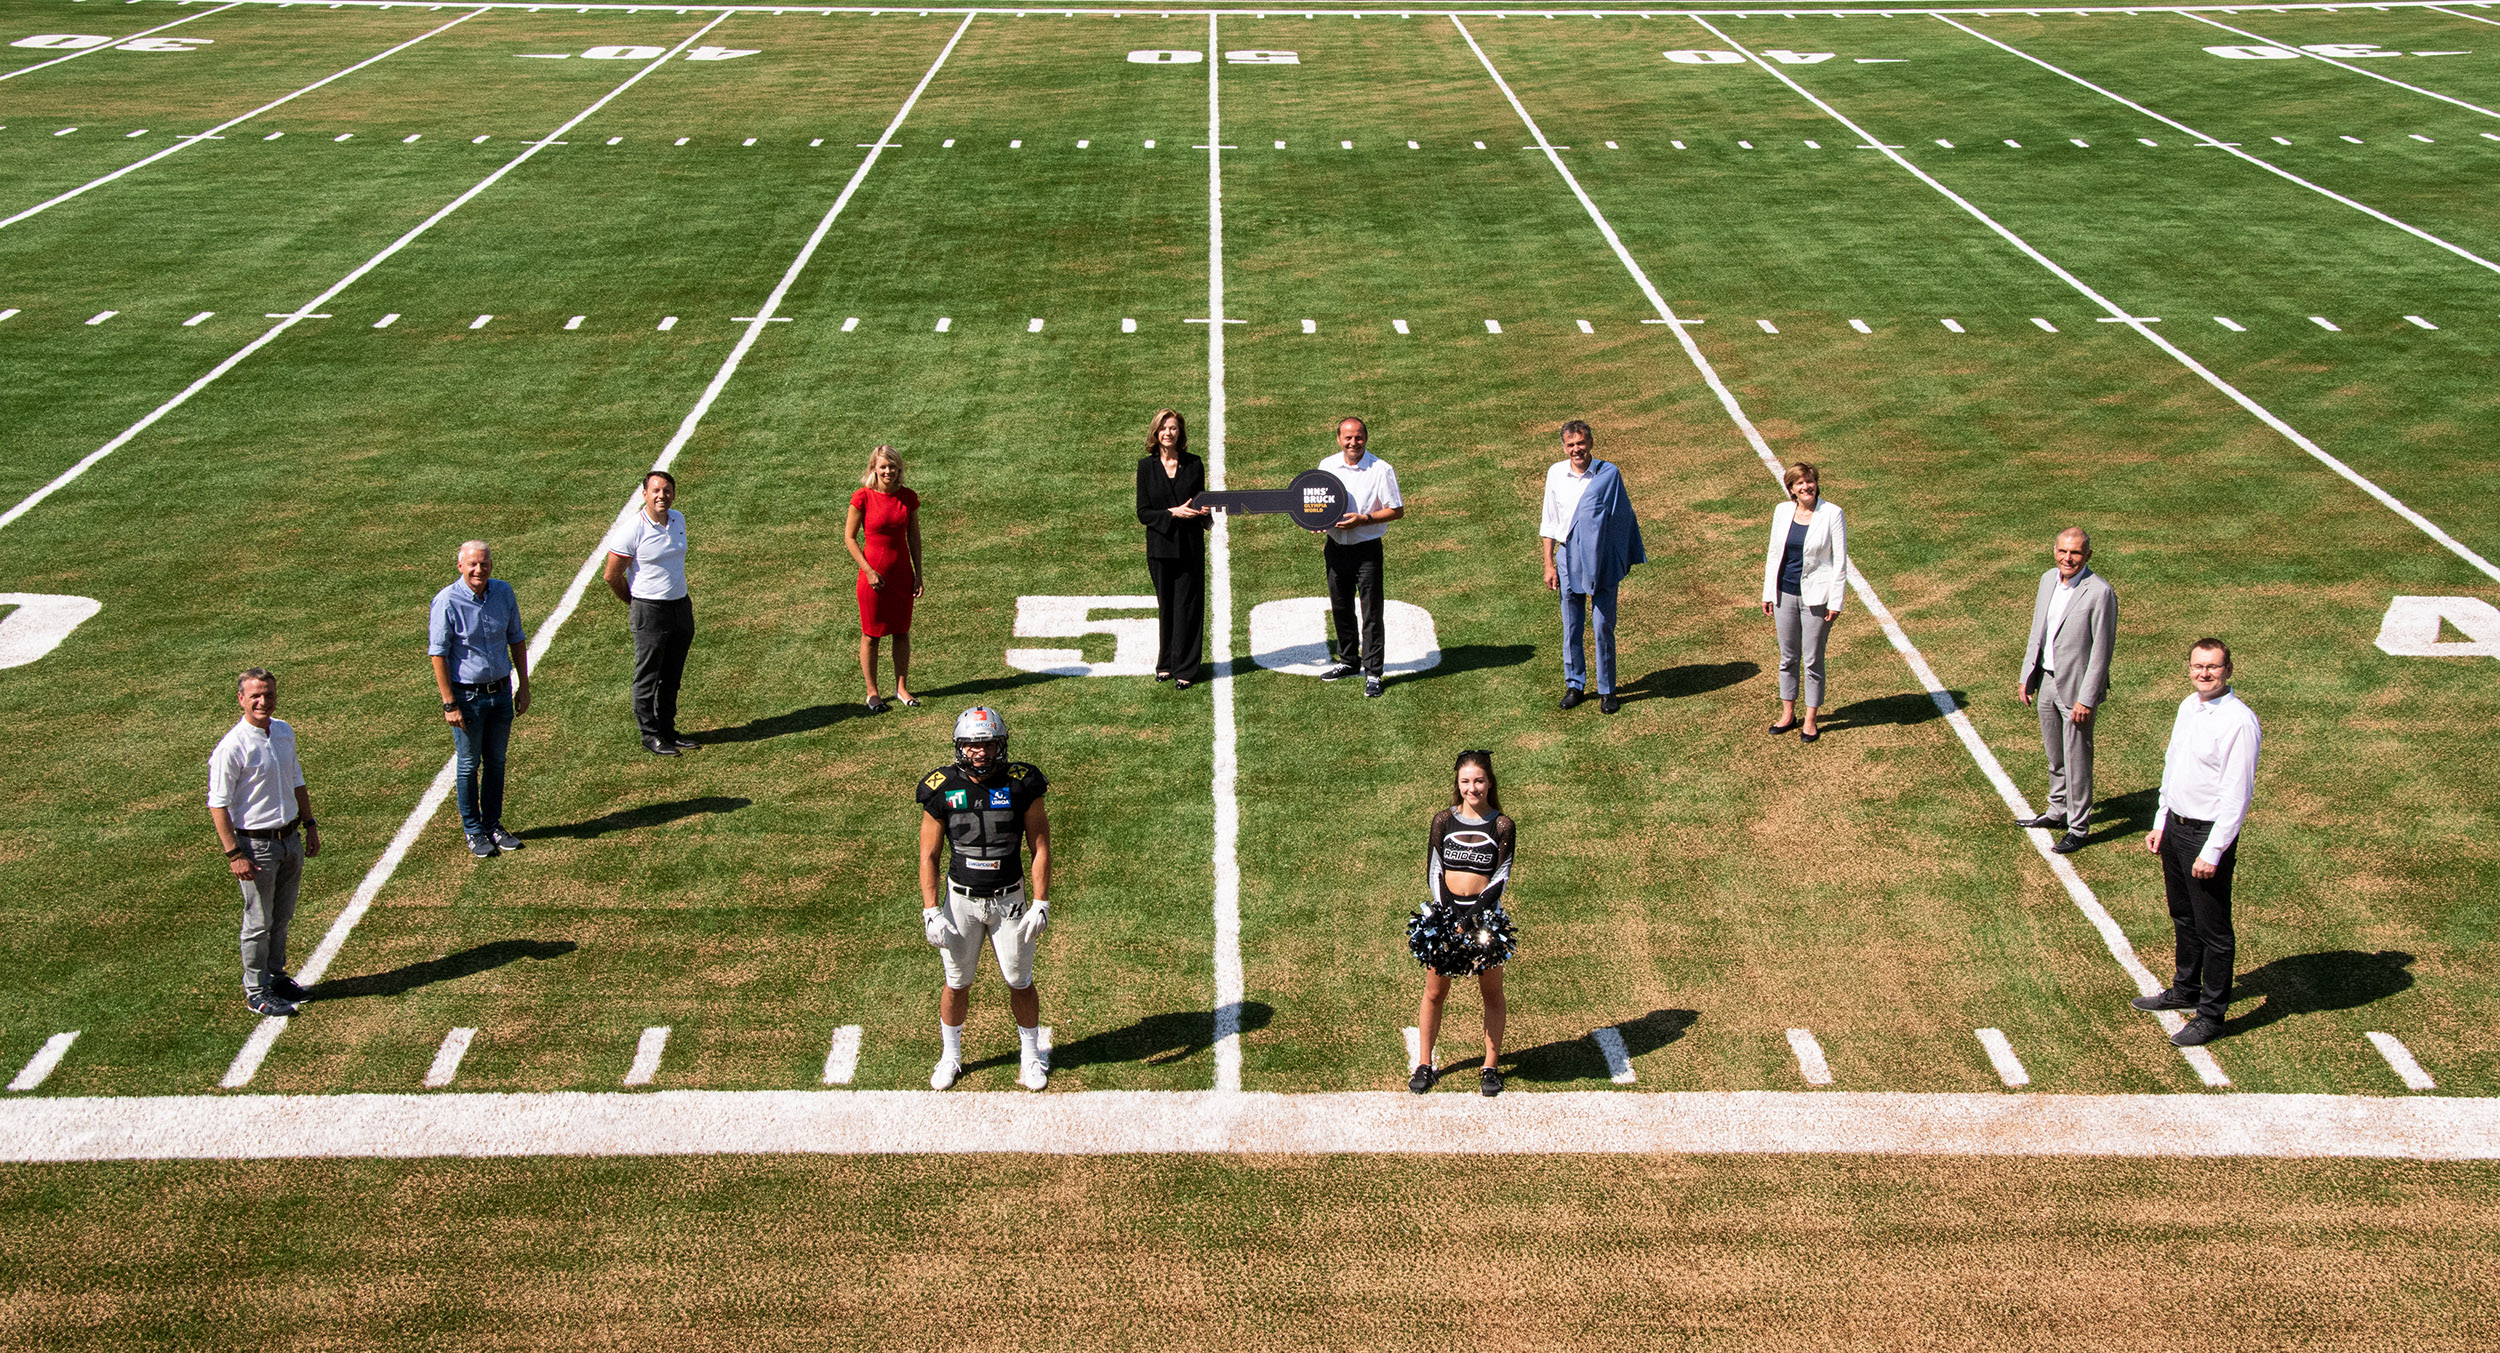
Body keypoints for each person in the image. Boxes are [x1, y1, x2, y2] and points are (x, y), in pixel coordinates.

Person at [918, 707, 1054, 1091]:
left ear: (1001, 745)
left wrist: (1040, 902)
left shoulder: (1021, 784)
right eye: (973, 746)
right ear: (960, 748)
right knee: (956, 982)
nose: (981, 753)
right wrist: (931, 909)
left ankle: (1030, 1056)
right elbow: (928, 854)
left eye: (988, 744)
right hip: (960, 900)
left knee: (1019, 979)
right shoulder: (941, 786)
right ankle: (951, 1056)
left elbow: (1039, 846)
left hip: (1008, 898)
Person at [2137, 638, 2261, 1048]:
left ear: (2229, 670)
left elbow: (2237, 794)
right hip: (2176, 826)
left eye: (2213, 667)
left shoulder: (2239, 722)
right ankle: (2185, 989)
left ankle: (2211, 1016)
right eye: (2197, 666)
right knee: (2183, 915)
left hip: (2206, 834)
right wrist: (2161, 818)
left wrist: (2214, 850)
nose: (2204, 673)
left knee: (2213, 929)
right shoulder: (2188, 706)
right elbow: (2173, 766)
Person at [206, 668, 322, 1018]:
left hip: (289, 838)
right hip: (256, 846)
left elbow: (296, 779)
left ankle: (276, 976)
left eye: (268, 694)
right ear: (240, 698)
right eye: (255, 695)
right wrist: (234, 854)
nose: (262, 701)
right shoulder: (232, 747)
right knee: (258, 921)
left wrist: (310, 824)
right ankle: (256, 991)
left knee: (282, 915)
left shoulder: (283, 732)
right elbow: (218, 804)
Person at [1408, 750, 1517, 1097]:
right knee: (1435, 992)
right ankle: (1424, 1063)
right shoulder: (1443, 820)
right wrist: (1451, 914)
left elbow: (1500, 877)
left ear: (1490, 782)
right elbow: (1434, 870)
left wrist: (1470, 918)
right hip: (1445, 917)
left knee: (1492, 993)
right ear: (1457, 784)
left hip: (1485, 921)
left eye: (1479, 780)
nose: (1473, 788)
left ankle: (1490, 1066)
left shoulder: (1502, 825)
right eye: (1466, 781)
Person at [2014, 527, 2116, 855]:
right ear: (2054, 551)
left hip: (2076, 688)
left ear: (2088, 555)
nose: (2067, 558)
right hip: (2047, 681)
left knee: (2077, 759)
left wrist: (2087, 697)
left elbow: (2102, 650)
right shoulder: (2047, 580)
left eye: (2075, 553)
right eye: (2062, 551)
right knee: (2055, 754)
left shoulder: (2100, 592)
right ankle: (2057, 810)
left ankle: (2079, 827)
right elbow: (2037, 630)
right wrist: (2026, 675)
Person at [429, 540, 531, 859]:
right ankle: (474, 830)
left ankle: (493, 824)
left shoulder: (503, 593)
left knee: (497, 763)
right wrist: (449, 703)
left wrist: (523, 685)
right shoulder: (447, 601)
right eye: (472, 564)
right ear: (460, 566)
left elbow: (516, 639)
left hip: (500, 693)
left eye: (484, 563)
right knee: (469, 764)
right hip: (467, 697)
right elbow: (439, 654)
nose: (478, 569)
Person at [1539, 420, 1645, 714]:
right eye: (1571, 445)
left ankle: (1608, 690)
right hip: (1566, 557)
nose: (1577, 449)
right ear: (1564, 447)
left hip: (1601, 561)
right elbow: (1549, 521)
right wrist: (1549, 563)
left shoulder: (1608, 473)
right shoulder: (1555, 474)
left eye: (1581, 443)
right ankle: (1575, 684)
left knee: (1602, 626)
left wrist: (1614, 557)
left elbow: (1623, 519)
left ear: (1591, 443)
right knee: (1571, 626)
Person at [602, 470, 697, 756]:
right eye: (655, 490)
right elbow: (611, 575)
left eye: (667, 490)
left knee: (672, 674)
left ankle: (668, 728)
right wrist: (635, 603)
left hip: (680, 606)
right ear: (644, 494)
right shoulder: (633, 529)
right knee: (649, 675)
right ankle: (650, 734)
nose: (661, 496)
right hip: (650, 609)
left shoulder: (678, 519)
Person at [1317, 416, 1405, 699]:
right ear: (1339, 439)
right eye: (1348, 437)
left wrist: (1363, 519)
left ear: (1365, 438)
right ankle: (1347, 661)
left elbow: (1396, 509)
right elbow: (1316, 504)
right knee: (1340, 607)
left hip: (1366, 550)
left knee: (1371, 613)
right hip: (1335, 548)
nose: (1353, 443)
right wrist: (1316, 520)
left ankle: (1374, 672)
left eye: (1358, 437)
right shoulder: (1326, 466)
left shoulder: (1381, 469)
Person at [1760, 461, 1848, 742]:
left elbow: (1839, 561)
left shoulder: (1832, 513)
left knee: (1811, 660)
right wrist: (1768, 592)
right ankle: (1788, 714)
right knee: (1788, 657)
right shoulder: (1782, 511)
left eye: (1809, 481)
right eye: (1799, 483)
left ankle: (1810, 719)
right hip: (1784, 594)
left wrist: (1835, 601)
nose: (1806, 486)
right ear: (1791, 489)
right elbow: (1774, 554)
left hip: (1817, 599)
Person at [844, 445, 924, 712]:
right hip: (872, 578)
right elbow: (850, 538)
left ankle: (901, 688)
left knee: (901, 632)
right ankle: (872, 693)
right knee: (872, 635)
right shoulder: (862, 498)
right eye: (883, 467)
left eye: (892, 466)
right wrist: (868, 571)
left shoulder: (908, 498)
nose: (888, 471)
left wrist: (918, 573)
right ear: (873, 469)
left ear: (898, 469)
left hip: (901, 574)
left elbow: (913, 538)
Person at [1134, 408, 1210, 688]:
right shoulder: (1146, 467)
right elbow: (1143, 512)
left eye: (1174, 428)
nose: (1168, 433)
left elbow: (1201, 503)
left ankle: (1186, 668)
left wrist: (1204, 511)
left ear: (1181, 433)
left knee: (1188, 607)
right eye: (1164, 428)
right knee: (1166, 606)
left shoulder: (1194, 463)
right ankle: (1165, 663)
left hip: (1190, 547)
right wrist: (1172, 513)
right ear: (1156, 432)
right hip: (1160, 549)